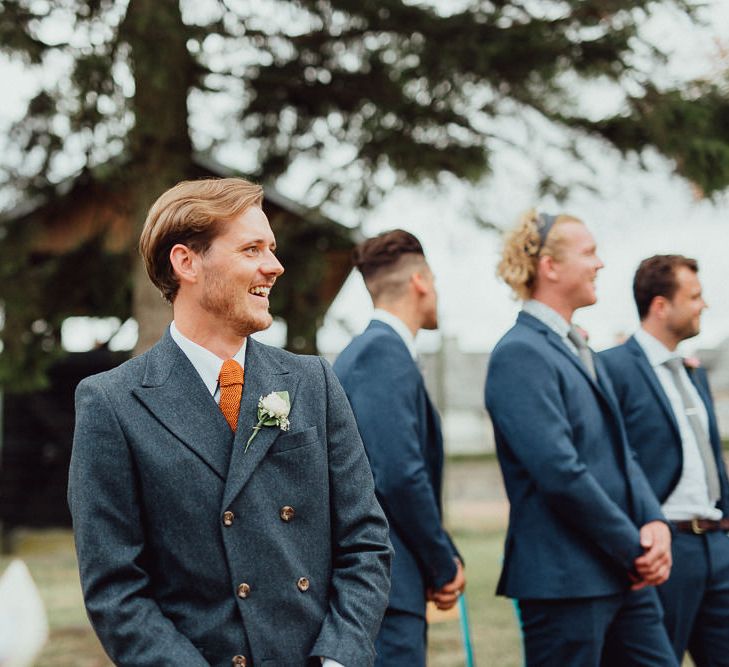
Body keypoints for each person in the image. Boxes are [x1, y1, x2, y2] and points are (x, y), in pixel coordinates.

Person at [68, 177, 392, 667]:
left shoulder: (313, 382)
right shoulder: (111, 402)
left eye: (273, 248)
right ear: (186, 262)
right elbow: (116, 589)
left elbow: (365, 541)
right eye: (251, 248)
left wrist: (338, 657)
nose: (274, 266)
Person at [484, 210, 677, 666]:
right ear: (549, 266)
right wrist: (634, 549)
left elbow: (621, 449)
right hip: (566, 581)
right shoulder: (519, 354)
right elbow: (559, 471)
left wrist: (653, 521)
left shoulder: (580, 347)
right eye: (589, 252)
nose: (600, 264)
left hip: (623, 573)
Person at [333, 230, 464, 666]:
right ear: (421, 281)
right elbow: (398, 472)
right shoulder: (381, 353)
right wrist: (442, 563)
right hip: (387, 585)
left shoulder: (372, 351)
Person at [600, 255, 729, 665]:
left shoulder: (694, 371)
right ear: (661, 305)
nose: (703, 305)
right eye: (694, 296)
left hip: (717, 545)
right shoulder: (611, 368)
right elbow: (613, 459)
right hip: (665, 550)